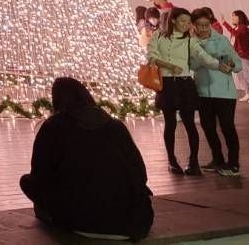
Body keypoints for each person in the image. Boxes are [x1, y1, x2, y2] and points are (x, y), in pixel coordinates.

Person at [18, 77, 153, 240]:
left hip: (81, 220)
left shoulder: (53, 126)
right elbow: (140, 174)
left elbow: (40, 174)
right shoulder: (115, 125)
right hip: (133, 223)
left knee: (27, 181)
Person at [148, 7, 215, 174]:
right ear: (172, 21)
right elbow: (151, 57)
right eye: (183, 21)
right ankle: (172, 161)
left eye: (188, 22)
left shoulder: (190, 40)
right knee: (170, 124)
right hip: (167, 84)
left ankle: (194, 162)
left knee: (190, 124)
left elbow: (203, 56)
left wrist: (220, 64)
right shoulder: (158, 36)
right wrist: (170, 66)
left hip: (185, 84)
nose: (186, 25)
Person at [190, 7, 242, 176]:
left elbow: (238, 65)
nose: (203, 28)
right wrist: (205, 59)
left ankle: (233, 164)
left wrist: (229, 64)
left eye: (206, 25)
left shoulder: (221, 40)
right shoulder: (191, 43)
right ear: (194, 26)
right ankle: (217, 160)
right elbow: (191, 65)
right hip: (203, 92)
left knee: (227, 127)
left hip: (225, 93)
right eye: (199, 25)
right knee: (208, 127)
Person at [223, 10, 249, 104]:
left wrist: (225, 23)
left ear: (240, 17)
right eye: (232, 16)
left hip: (244, 55)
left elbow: (237, 35)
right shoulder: (236, 28)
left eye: (234, 16)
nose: (232, 18)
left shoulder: (242, 27)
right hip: (236, 55)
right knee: (241, 76)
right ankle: (248, 93)